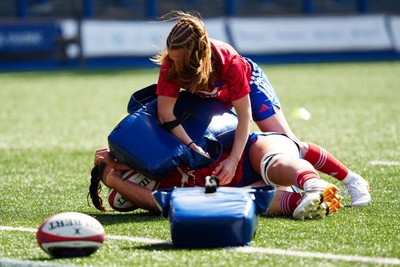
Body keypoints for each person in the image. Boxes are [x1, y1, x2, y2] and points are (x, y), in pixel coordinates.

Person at [151, 11, 370, 207]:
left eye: (181, 61)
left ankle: (352, 180)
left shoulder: (228, 61)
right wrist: (191, 145)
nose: (174, 65)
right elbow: (165, 113)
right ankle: (288, 187)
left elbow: (245, 115)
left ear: (199, 56)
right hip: (210, 98)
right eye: (173, 58)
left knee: (289, 143)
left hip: (248, 86)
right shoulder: (172, 63)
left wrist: (233, 161)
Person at [90, 132, 343, 220]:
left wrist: (118, 165)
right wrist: (113, 181)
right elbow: (154, 201)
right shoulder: (169, 192)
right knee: (246, 200)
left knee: (273, 164)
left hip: (249, 151)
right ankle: (306, 203)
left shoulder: (161, 146)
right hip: (240, 184)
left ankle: (312, 184)